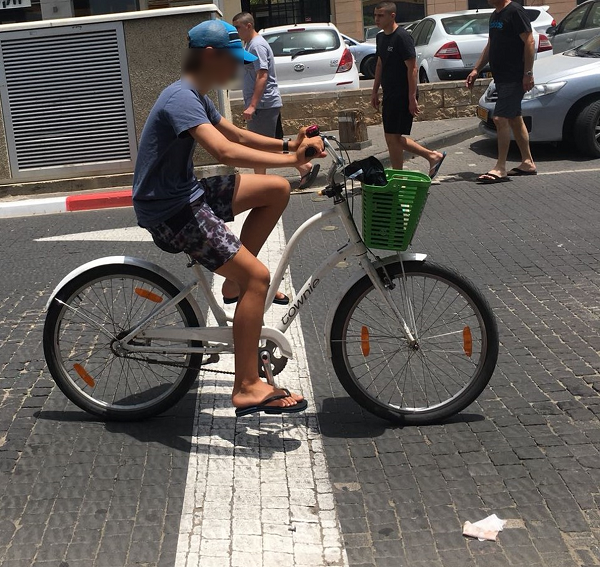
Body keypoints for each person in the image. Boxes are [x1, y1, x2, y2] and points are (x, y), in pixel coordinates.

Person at [132, 20, 325, 416]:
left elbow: (236, 134)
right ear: (209, 57)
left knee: (276, 190)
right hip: (171, 210)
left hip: (188, 193)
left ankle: (233, 286)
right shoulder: (179, 98)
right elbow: (224, 152)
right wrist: (290, 160)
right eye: (233, 61)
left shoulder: (196, 93)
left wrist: (289, 143)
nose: (239, 69)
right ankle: (247, 386)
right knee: (259, 277)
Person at [232, 12, 320, 189]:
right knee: (270, 144)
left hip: (263, 105)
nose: (236, 32)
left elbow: (262, 76)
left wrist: (252, 105)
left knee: (258, 147)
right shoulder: (249, 44)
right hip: (264, 104)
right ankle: (304, 167)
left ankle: (260, 184)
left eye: (237, 28)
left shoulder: (256, 45)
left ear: (248, 26)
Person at [371, 1, 446, 178]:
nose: (376, 19)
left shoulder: (403, 37)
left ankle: (422, 161)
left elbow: (412, 68)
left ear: (392, 16)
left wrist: (412, 97)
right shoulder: (381, 37)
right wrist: (374, 91)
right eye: (375, 15)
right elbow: (380, 64)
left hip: (403, 95)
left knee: (393, 138)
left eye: (380, 15)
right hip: (389, 94)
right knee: (391, 138)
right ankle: (429, 158)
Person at [466, 0, 537, 183]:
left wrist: (527, 73)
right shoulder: (495, 14)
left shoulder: (515, 11)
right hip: (501, 77)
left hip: (514, 75)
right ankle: (528, 162)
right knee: (514, 118)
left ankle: (500, 167)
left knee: (499, 118)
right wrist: (475, 69)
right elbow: (491, 45)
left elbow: (529, 41)